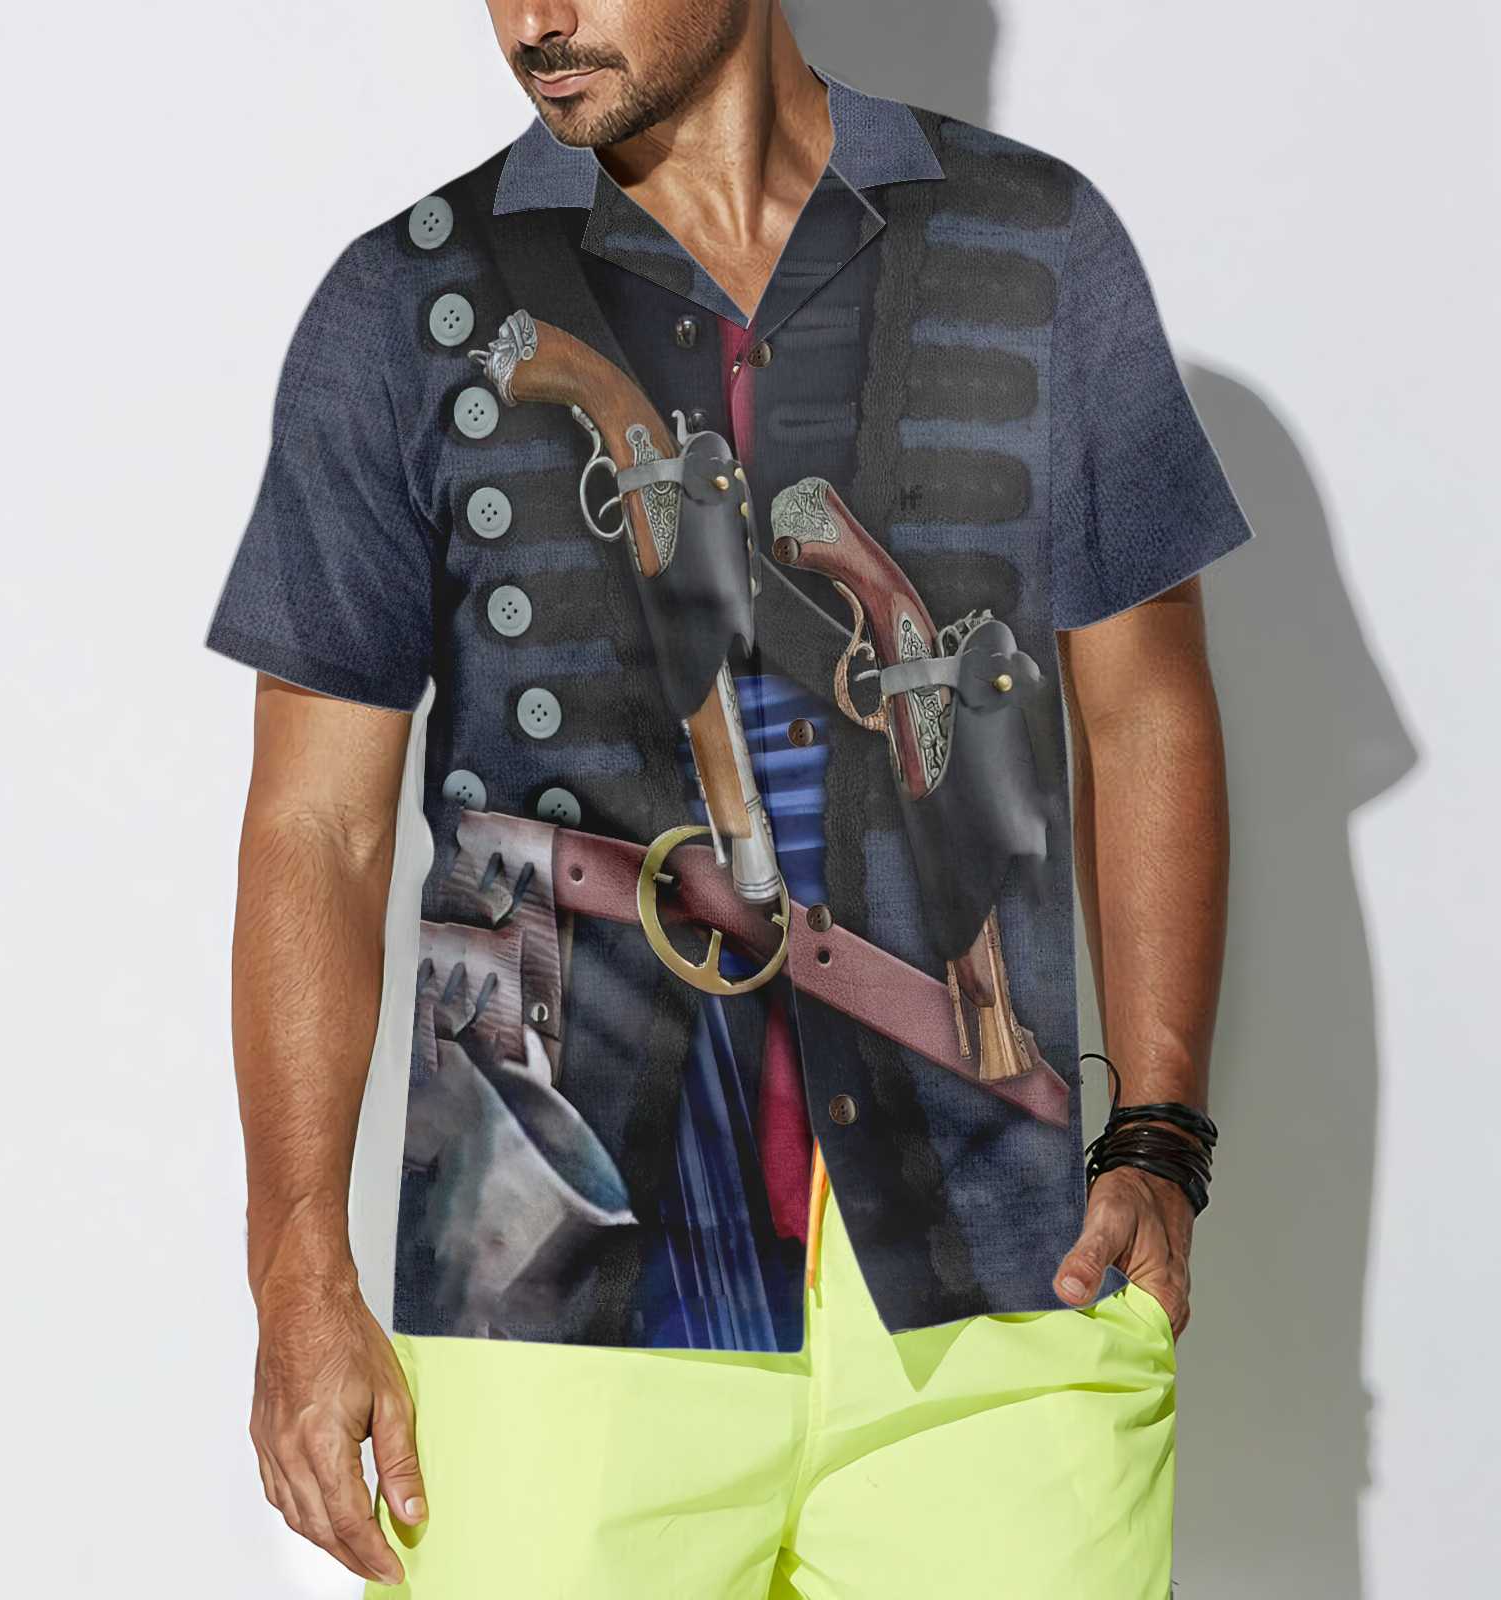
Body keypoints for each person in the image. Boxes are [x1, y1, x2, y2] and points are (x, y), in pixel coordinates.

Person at [205, 2, 1251, 1594]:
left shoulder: (1035, 243)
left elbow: (1147, 701)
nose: (536, 19)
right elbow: (317, 825)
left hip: (1003, 1289)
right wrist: (296, 1274)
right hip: (544, 1288)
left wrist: (1160, 1138)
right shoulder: (405, 302)